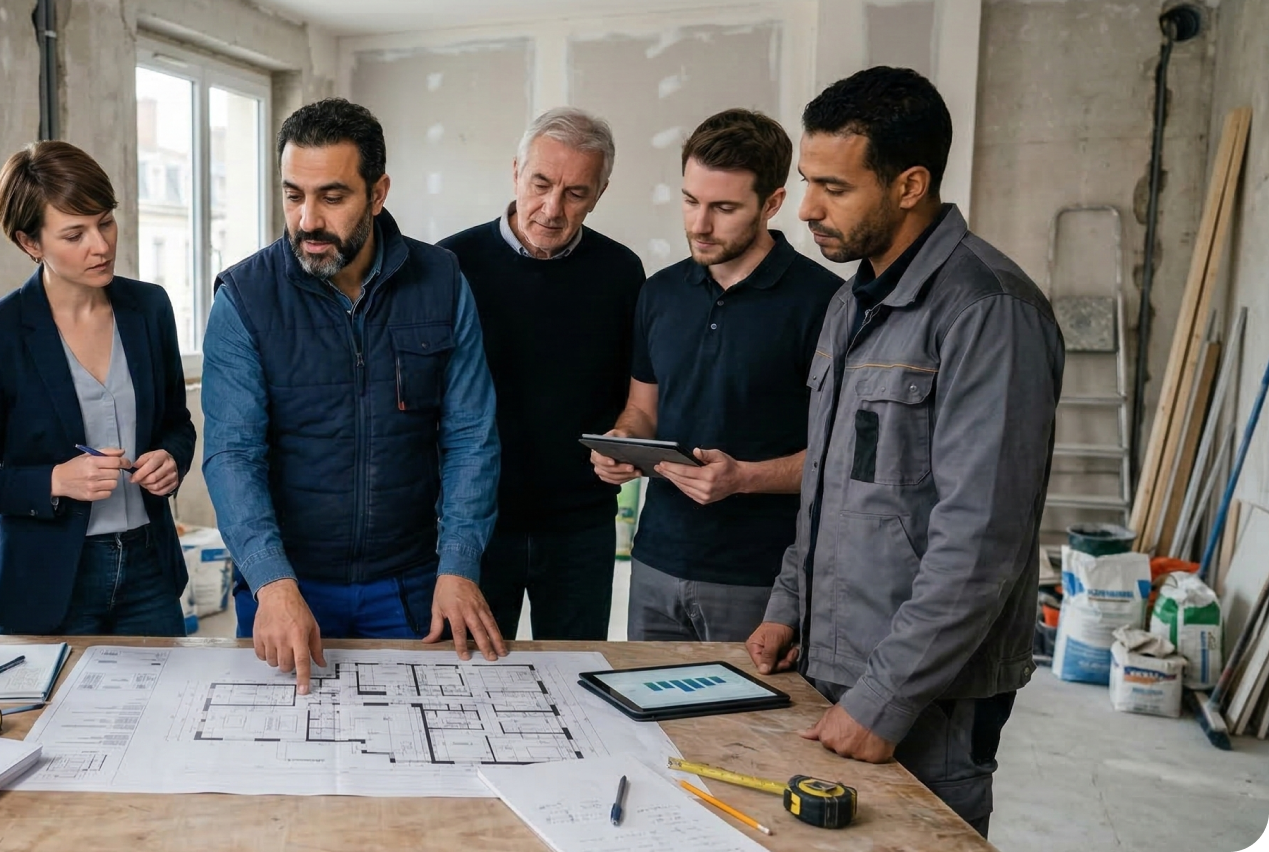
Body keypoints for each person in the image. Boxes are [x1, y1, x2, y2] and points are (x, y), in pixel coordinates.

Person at [746, 67, 1063, 836]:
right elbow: (829, 482)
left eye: (834, 187)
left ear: (910, 184)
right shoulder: (849, 302)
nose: (809, 209)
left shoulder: (989, 310)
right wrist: (790, 606)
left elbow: (981, 542)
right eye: (806, 182)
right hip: (835, 667)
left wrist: (886, 696)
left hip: (927, 694)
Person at [202, 97, 507, 693]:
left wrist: (460, 563)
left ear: (378, 192)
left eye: (332, 196)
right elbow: (233, 454)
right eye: (294, 195)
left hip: (413, 586)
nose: (308, 219)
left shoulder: (442, 281)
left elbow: (471, 434)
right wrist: (270, 581)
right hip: (287, 589)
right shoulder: (243, 297)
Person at [591, 109, 841, 643]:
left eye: (724, 208)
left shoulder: (824, 304)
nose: (699, 225)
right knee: (648, 727)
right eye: (690, 201)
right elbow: (643, 408)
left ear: (772, 203)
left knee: (745, 729)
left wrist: (743, 478)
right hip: (654, 561)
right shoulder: (658, 294)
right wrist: (623, 441)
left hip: (763, 581)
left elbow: (840, 458)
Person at [0, 141, 196, 636]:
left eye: (105, 222)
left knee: (166, 712)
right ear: (30, 243)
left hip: (149, 570)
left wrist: (171, 457)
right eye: (74, 234)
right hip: (46, 581)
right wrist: (55, 480)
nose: (100, 245)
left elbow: (176, 423)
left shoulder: (149, 309)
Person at [438, 107, 645, 641]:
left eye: (576, 192)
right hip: (474, 527)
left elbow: (636, 394)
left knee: (579, 678)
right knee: (471, 681)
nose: (552, 209)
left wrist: (627, 438)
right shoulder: (450, 264)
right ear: (515, 172)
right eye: (541, 183)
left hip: (581, 526)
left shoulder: (622, 273)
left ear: (600, 192)